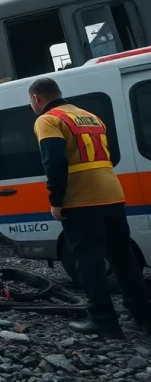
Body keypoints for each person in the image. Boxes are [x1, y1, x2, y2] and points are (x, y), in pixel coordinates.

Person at [29, 77, 151, 337]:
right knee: (124, 259)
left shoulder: (47, 120)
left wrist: (56, 200)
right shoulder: (90, 117)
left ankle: (104, 320)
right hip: (112, 194)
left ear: (36, 99)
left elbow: (55, 162)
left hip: (82, 199)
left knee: (89, 261)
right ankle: (144, 316)